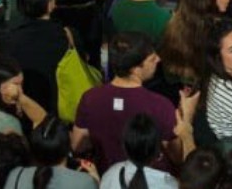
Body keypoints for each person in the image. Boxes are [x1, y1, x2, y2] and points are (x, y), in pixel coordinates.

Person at [73, 32, 191, 173]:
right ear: (135, 69)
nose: (158, 60)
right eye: (152, 58)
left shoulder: (90, 98)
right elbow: (177, 157)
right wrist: (186, 119)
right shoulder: (160, 106)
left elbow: (78, 145)